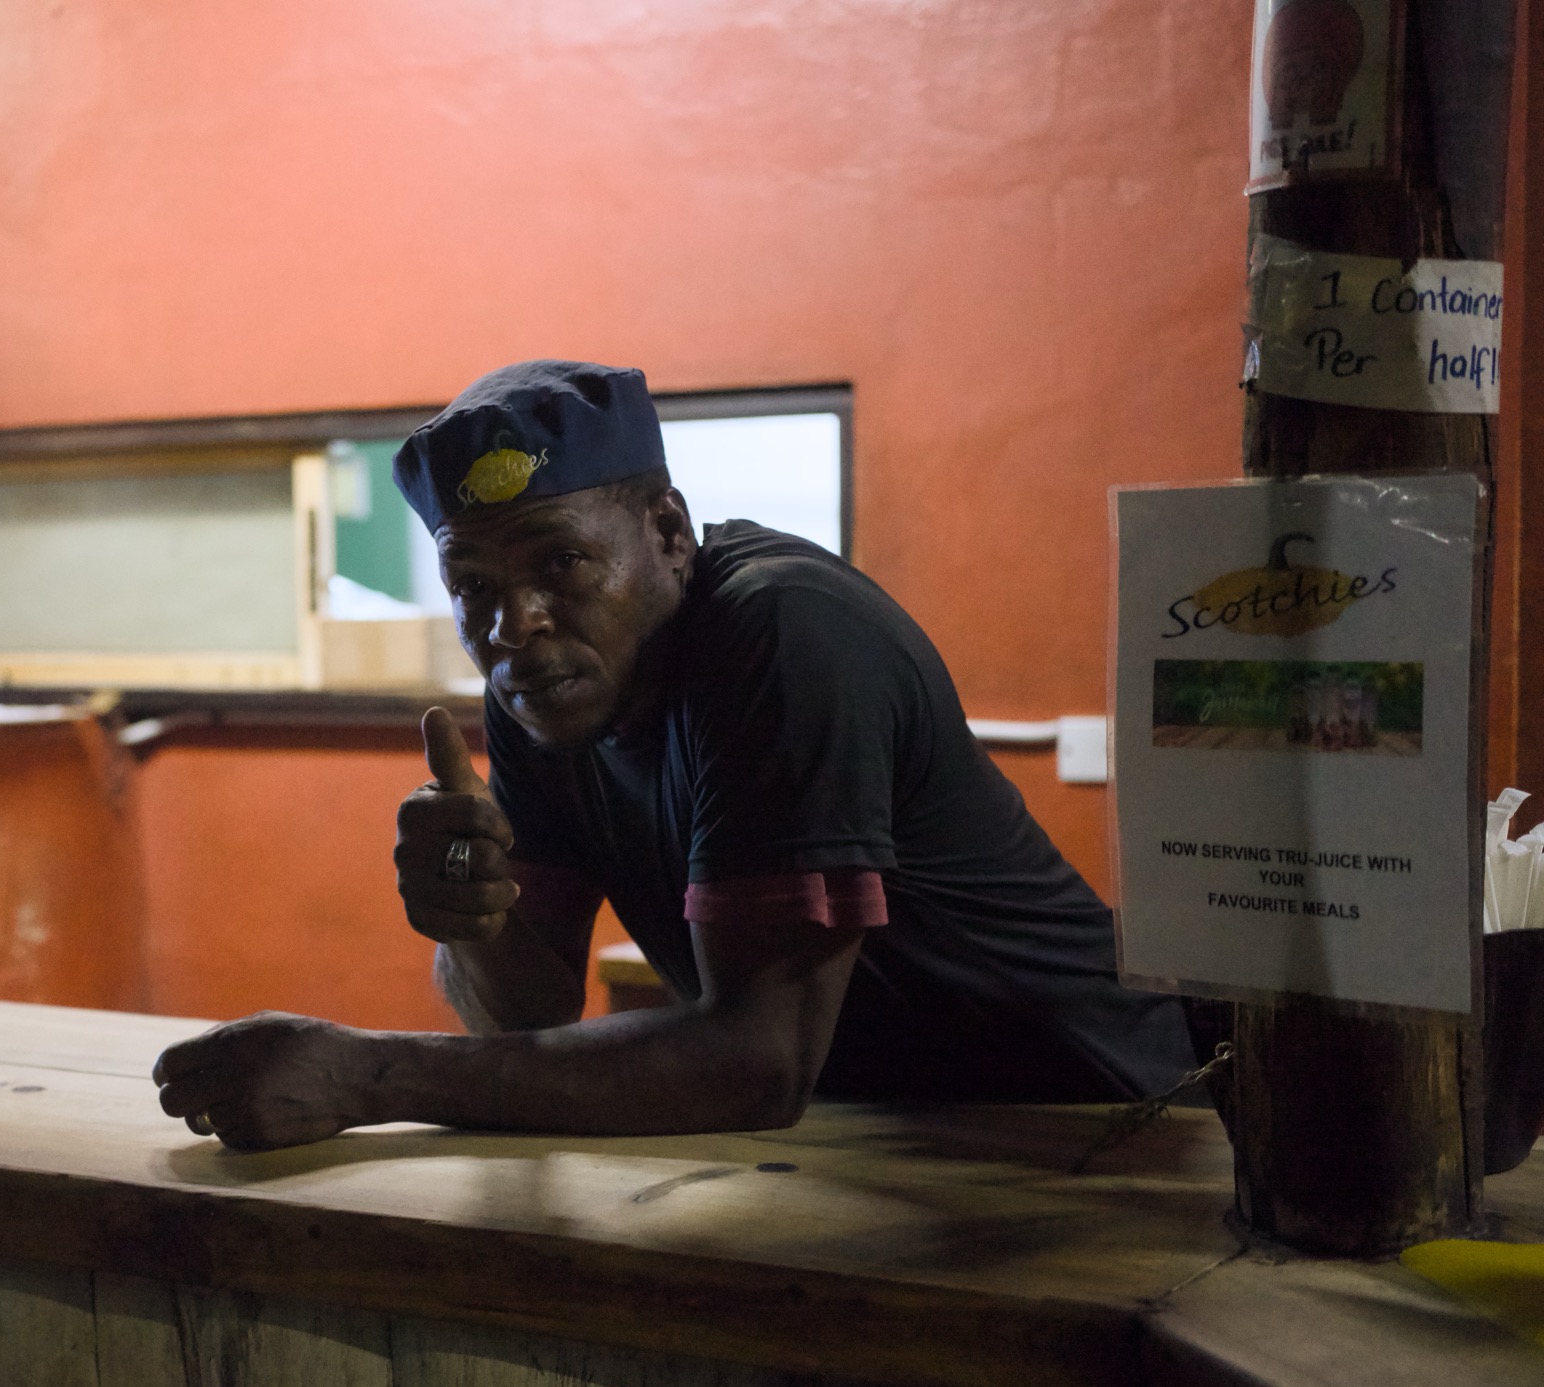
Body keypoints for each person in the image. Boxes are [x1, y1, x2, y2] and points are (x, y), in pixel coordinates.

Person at [154, 360, 1196, 1151]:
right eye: (471, 583)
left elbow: (756, 1062)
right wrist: (470, 920)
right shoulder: (539, 690)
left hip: (1110, 1124)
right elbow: (531, 1010)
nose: (514, 621)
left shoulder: (784, 632)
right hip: (886, 1138)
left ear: (668, 531)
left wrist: (366, 1079)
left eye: (562, 560)